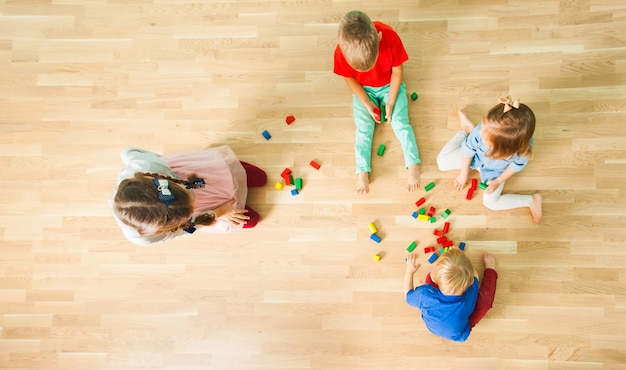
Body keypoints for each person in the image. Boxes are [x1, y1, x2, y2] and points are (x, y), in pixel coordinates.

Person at [333, 10, 421, 195]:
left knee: (400, 122)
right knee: (364, 129)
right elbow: (350, 79)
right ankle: (362, 172)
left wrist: (390, 102)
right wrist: (366, 103)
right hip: (363, 91)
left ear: (379, 38)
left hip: (390, 85)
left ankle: (413, 165)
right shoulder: (341, 52)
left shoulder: (390, 37)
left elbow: (397, 71)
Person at [112, 146, 266, 245]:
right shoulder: (143, 237)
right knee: (252, 220)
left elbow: (127, 152)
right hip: (200, 213)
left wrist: (160, 158)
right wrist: (219, 212)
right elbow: (187, 228)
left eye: (188, 195)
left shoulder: (150, 165)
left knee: (260, 177)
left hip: (191, 176)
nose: (194, 198)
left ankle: (228, 174)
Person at [436, 97, 543, 224]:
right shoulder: (481, 131)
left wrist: (497, 181)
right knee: (441, 162)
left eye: (485, 135)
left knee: (491, 203)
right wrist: (463, 174)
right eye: (483, 127)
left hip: (495, 171)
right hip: (476, 158)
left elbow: (514, 167)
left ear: (504, 148)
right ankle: (465, 130)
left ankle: (532, 200)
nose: (480, 131)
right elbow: (467, 153)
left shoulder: (521, 151)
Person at [404, 248, 498, 342]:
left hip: (433, 328)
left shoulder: (424, 295)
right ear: (470, 283)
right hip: (458, 333)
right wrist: (461, 258)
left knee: (428, 277)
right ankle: (491, 269)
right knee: (485, 302)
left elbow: (408, 295)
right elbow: (475, 275)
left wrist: (409, 272)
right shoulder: (470, 294)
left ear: (434, 279)